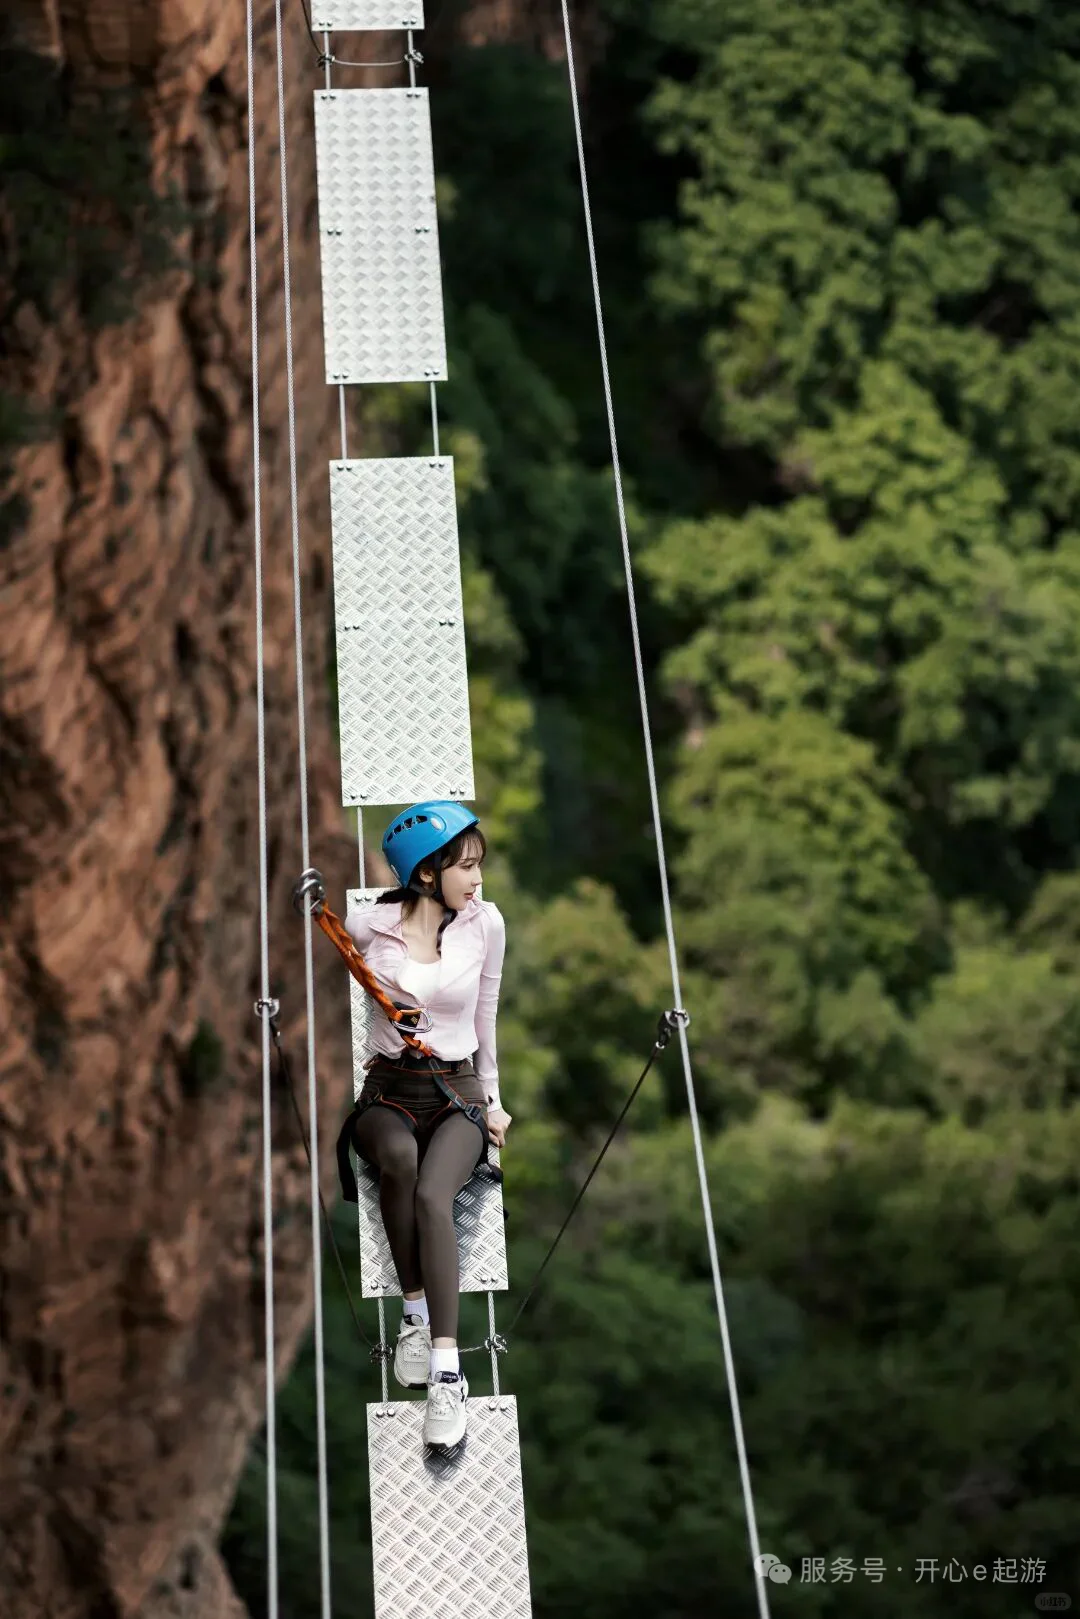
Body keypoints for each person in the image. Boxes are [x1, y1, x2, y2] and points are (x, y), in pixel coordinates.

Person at [343, 800, 512, 1450]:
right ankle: (413, 1309)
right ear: (424, 874)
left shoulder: (485, 924)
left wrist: (492, 1100)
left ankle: (446, 1369)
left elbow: (486, 1012)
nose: (477, 880)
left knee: (433, 1196)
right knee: (398, 1163)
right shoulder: (368, 926)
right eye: (464, 867)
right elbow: (304, 930)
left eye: (479, 865)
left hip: (457, 1091)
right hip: (389, 1091)